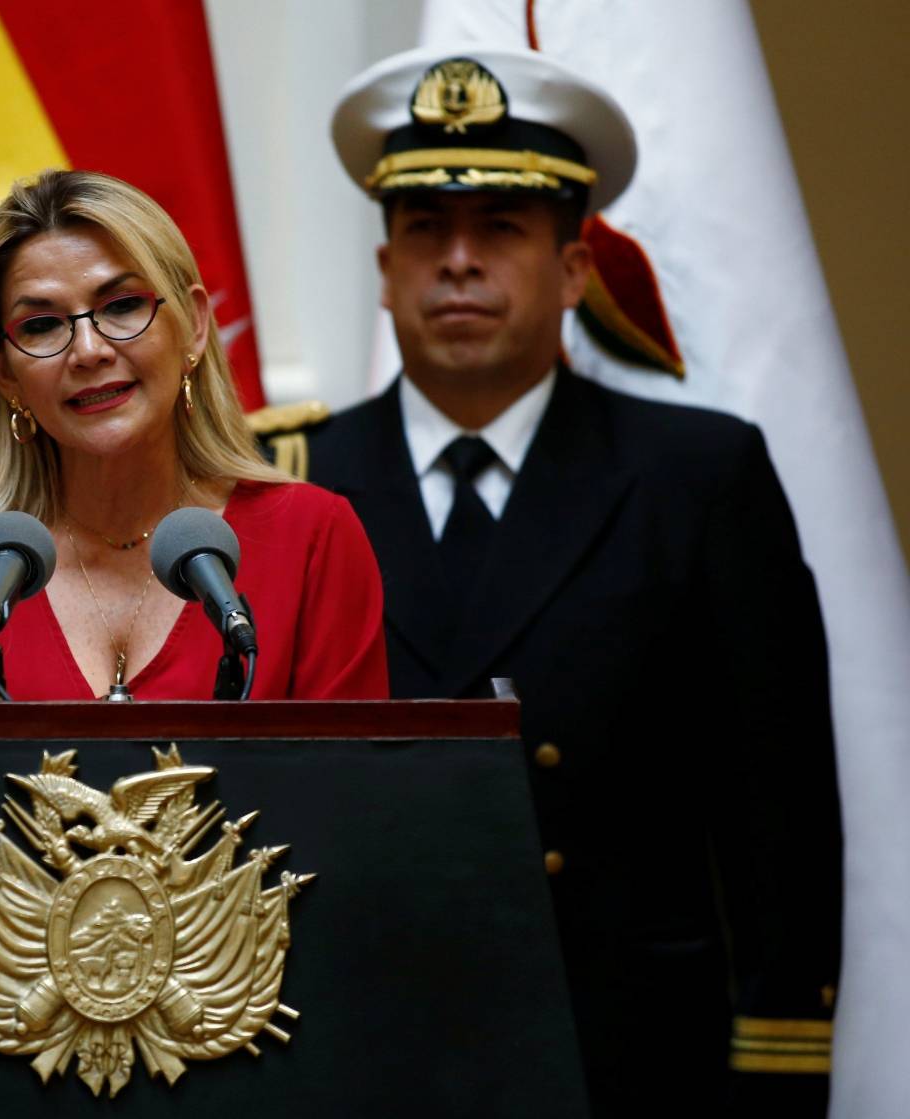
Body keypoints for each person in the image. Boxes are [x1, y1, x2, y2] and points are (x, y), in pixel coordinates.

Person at [266, 46, 843, 1117]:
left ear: (574, 270)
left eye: (501, 230)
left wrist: (778, 1062)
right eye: (425, 232)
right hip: (348, 1045)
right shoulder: (285, 485)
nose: (458, 263)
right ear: (384, 268)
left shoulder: (696, 478)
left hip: (624, 1057)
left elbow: (779, 815)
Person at [0, 170, 388, 702]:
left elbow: (350, 791)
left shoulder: (313, 540)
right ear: (3, 370)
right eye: (41, 325)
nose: (88, 351)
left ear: (195, 325)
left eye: (122, 306)